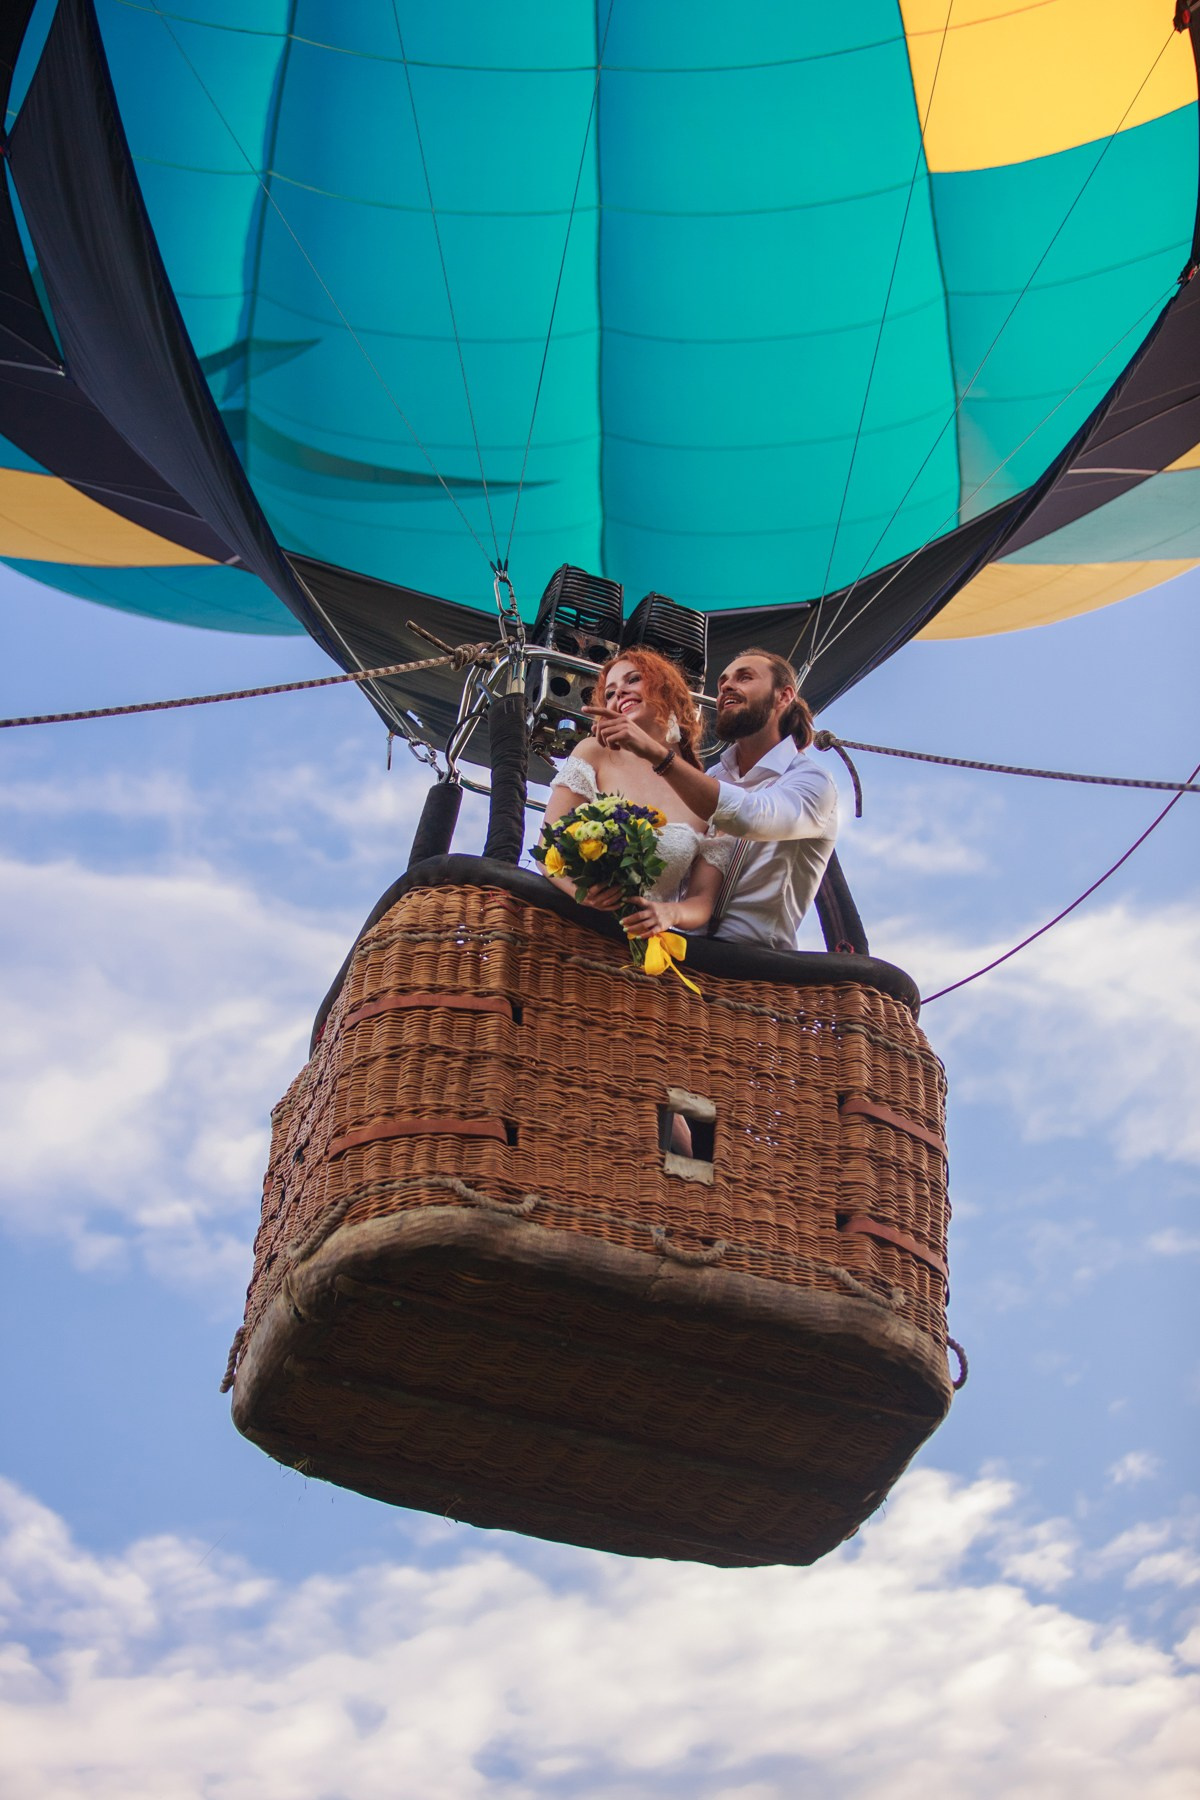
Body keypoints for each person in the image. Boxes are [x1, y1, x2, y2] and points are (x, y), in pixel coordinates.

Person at [585, 647, 837, 952]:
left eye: (744, 677)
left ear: (784, 696)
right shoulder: (712, 777)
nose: (727, 686)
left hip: (759, 967)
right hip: (688, 956)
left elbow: (750, 816)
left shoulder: (812, 782)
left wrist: (656, 753)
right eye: (723, 682)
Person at [539, 647, 732, 942]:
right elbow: (546, 849)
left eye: (633, 680)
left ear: (667, 689)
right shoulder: (594, 753)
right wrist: (582, 894)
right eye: (610, 694)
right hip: (572, 933)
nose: (620, 695)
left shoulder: (704, 793)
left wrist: (669, 914)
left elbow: (701, 902)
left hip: (645, 953)